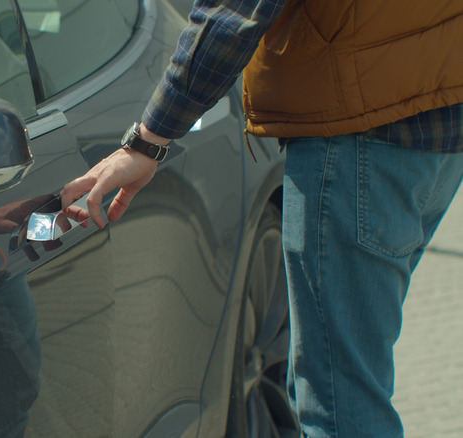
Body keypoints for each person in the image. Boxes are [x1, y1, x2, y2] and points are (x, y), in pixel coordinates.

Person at [61, 0, 463, 436]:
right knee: (343, 375)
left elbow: (234, 13)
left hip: (359, 130)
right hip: (441, 116)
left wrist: (149, 139)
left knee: (342, 400)